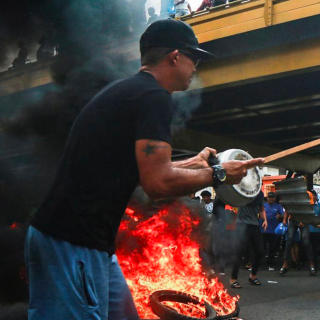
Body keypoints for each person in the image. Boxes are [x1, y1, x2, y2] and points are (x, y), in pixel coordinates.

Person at [25, 20, 264, 319]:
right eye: (195, 58)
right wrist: (219, 175)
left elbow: (143, 169)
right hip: (71, 242)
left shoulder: (132, 92)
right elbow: (157, 183)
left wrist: (195, 163)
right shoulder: (154, 98)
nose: (196, 67)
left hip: (91, 244)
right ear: (175, 56)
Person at [230, 191, 267, 288]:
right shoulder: (243, 190)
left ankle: (253, 275)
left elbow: (261, 209)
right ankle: (233, 278)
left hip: (254, 225)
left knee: (260, 251)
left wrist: (265, 220)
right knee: (239, 252)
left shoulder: (260, 194)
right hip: (242, 224)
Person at [262, 191, 284, 271]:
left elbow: (282, 215)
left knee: (272, 249)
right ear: (267, 198)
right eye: (269, 197)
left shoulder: (278, 206)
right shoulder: (263, 205)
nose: (270, 199)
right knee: (261, 248)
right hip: (263, 230)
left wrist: (280, 216)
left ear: (274, 198)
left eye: (272, 197)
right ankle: (259, 264)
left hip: (274, 231)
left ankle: (270, 264)